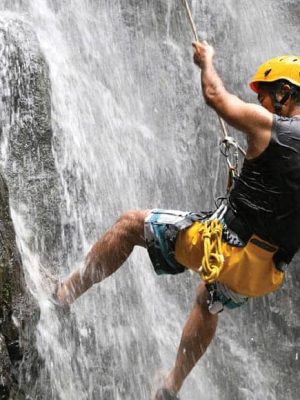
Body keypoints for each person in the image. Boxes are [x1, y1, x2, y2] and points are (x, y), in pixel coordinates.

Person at [54, 42, 300, 400]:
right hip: (261, 275)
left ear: (284, 92)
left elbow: (215, 96)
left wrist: (207, 61)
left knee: (129, 225)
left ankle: (62, 296)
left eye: (264, 95)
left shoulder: (274, 127)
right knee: (207, 298)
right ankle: (171, 387)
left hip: (223, 249)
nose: (260, 104)